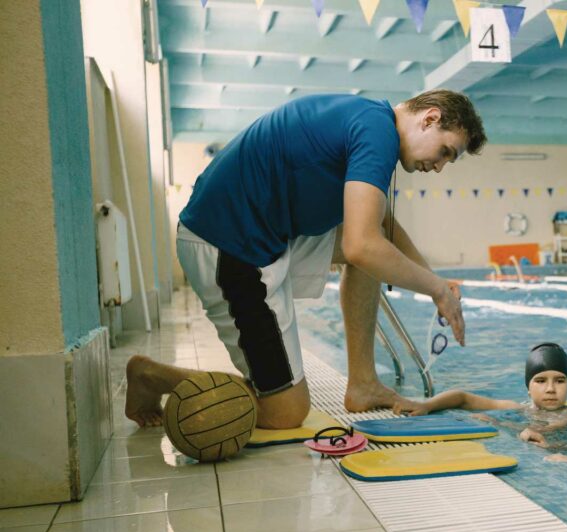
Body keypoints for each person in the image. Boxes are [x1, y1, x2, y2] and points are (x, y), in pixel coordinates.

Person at [125, 90, 486, 429]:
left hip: (266, 237)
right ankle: (153, 375)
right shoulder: (377, 132)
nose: (439, 167)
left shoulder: (369, 121)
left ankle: (363, 384)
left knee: (375, 245)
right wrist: (436, 289)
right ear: (430, 118)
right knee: (285, 412)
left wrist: (436, 281)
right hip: (229, 247)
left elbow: (383, 228)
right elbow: (361, 245)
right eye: (445, 152)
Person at [392, 342, 567, 435]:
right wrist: (427, 405)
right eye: (540, 380)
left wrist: (496, 422)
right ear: (528, 388)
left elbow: (545, 430)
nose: (551, 389)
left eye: (560, 380)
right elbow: (463, 398)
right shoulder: (520, 408)